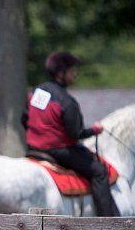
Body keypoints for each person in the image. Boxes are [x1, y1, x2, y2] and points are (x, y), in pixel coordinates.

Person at [22, 50, 120, 217]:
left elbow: (24, 119)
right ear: (61, 73)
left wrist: (38, 136)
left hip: (33, 148)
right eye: (72, 70)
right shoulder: (66, 101)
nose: (75, 74)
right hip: (60, 151)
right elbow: (76, 134)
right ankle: (108, 224)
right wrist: (95, 130)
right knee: (99, 172)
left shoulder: (35, 92)